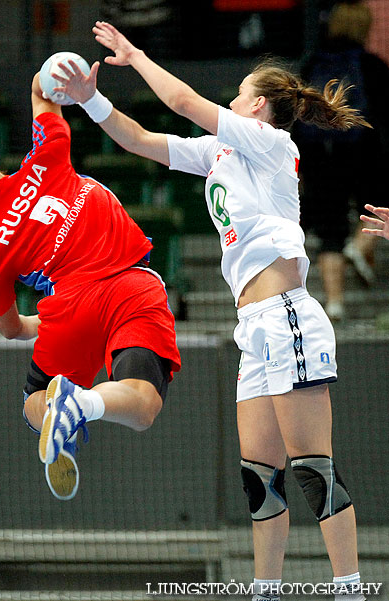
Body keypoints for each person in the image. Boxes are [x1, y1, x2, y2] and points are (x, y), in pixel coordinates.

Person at [53, 20, 369, 601]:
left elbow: (178, 99)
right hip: (253, 329)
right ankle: (266, 591)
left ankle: (349, 587)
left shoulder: (270, 143)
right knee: (260, 481)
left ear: (262, 107)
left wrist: (134, 55)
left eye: (241, 91)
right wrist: (91, 100)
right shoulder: (224, 150)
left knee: (313, 470)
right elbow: (139, 140)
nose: (231, 97)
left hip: (287, 316)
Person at [0, 72, 181, 502]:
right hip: (133, 285)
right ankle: (85, 405)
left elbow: (11, 329)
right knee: (143, 406)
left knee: (33, 400)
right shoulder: (46, 156)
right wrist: (50, 73)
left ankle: (65, 407)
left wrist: (49, 319)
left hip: (69, 310)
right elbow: (40, 87)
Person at [295, 0, 389, 321]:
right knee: (377, 206)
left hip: (315, 152)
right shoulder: (372, 66)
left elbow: (296, 115)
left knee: (329, 225)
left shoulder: (311, 65)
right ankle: (358, 248)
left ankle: (334, 304)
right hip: (362, 149)